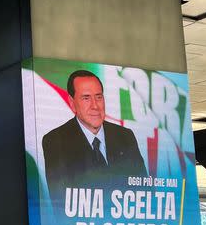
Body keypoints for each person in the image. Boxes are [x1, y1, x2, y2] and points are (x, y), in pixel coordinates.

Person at [42, 70, 147, 204]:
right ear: (72, 103)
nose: (95, 106)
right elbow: (62, 206)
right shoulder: (55, 141)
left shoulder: (125, 136)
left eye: (98, 97)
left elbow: (145, 193)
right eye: (86, 98)